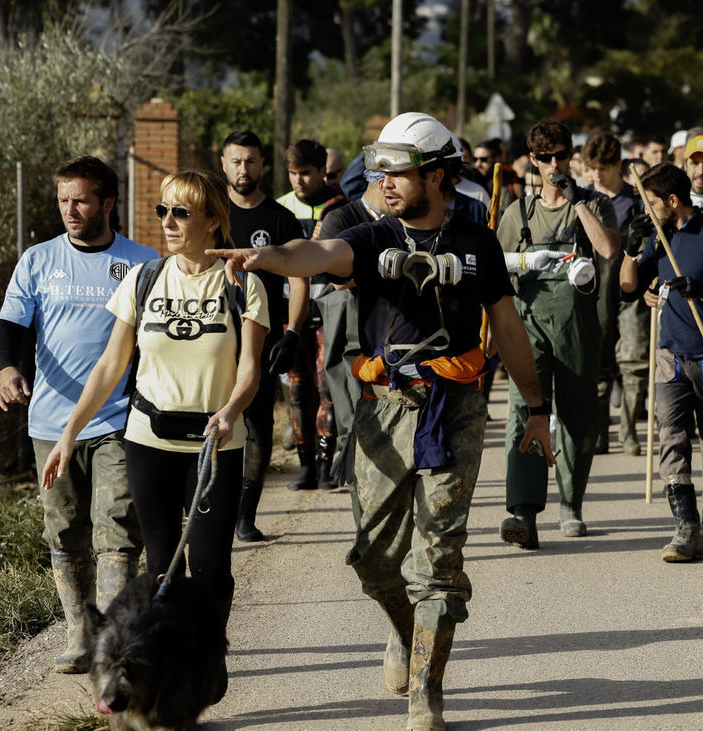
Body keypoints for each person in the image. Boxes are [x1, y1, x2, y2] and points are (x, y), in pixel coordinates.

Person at [209, 111, 554, 730]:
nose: (384, 180)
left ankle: (427, 686)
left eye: (398, 170)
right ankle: (405, 631)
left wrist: (537, 409)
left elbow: (507, 326)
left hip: (455, 411)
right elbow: (316, 251)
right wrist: (266, 258)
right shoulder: (372, 238)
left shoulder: (477, 242)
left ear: (438, 175)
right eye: (380, 169)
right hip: (381, 413)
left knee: (440, 558)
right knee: (373, 560)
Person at [41, 169, 269, 701]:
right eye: (163, 211)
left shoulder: (242, 283)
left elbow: (251, 369)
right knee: (163, 570)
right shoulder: (143, 279)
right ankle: (172, 671)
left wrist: (233, 409)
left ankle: (210, 650)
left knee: (209, 569)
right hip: (148, 440)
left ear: (212, 220)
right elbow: (109, 366)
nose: (167, 222)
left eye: (181, 213)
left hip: (217, 442)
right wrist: (69, 433)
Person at [0, 155, 155, 673]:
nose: (70, 209)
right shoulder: (37, 260)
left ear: (107, 202)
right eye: (64, 199)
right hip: (50, 422)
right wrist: (6, 370)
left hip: (117, 420)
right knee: (63, 530)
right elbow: (11, 327)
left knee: (115, 526)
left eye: (81, 199)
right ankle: (79, 633)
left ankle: (112, 640)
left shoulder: (142, 263)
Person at [495, 120, 620, 549]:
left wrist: (576, 200)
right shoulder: (517, 213)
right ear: (533, 159)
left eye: (562, 155)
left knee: (577, 417)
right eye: (546, 157)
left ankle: (571, 502)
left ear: (572, 156)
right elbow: (497, 271)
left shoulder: (595, 204)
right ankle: (523, 514)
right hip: (528, 327)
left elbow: (607, 250)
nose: (554, 164)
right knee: (525, 412)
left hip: (578, 328)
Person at [619, 163, 703, 563]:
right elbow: (627, 287)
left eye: (651, 203)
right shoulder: (659, 237)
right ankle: (685, 529)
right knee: (670, 437)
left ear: (673, 201)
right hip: (669, 355)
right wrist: (629, 247)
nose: (647, 209)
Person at [220, 130, 311, 539]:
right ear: (223, 164)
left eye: (251, 161)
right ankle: (207, 505)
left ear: (262, 165)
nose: (244, 169)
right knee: (211, 421)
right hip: (212, 336)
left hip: (264, 341)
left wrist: (292, 334)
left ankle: (244, 515)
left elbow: (301, 279)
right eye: (236, 161)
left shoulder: (279, 219)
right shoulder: (209, 214)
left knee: (257, 425)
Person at [276, 139, 347, 492]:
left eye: (306, 173)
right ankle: (304, 468)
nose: (299, 181)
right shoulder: (281, 208)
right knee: (299, 391)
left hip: (329, 312)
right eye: (292, 173)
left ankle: (324, 466)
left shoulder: (341, 207)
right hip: (292, 314)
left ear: (322, 171)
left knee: (327, 388)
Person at [314, 170, 389, 487]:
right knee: (353, 416)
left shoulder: (400, 221)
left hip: (390, 337)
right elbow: (337, 277)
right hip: (351, 337)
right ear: (382, 181)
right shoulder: (340, 218)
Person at [584, 131, 642, 454]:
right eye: (591, 168)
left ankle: (630, 429)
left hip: (631, 290)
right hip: (597, 291)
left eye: (602, 168)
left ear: (618, 164)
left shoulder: (636, 200)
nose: (596, 175)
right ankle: (600, 430)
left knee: (634, 359)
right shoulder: (585, 201)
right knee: (599, 362)